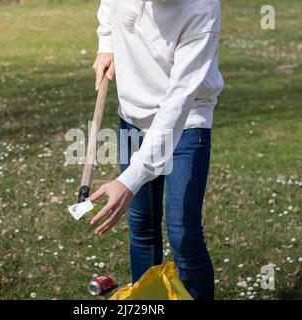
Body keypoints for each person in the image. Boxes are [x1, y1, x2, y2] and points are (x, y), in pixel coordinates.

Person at [88, 0, 224, 300]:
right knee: (141, 225)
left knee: (183, 234)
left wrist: (129, 181)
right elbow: (109, 5)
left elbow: (176, 105)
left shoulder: (202, 8)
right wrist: (106, 42)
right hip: (131, 119)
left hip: (186, 120)